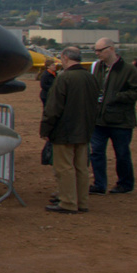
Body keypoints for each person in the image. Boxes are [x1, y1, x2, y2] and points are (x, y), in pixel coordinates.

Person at [41, 46, 101, 214]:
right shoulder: (90, 78)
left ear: (65, 58)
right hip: (85, 130)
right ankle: (82, 201)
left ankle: (67, 202)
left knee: (64, 167)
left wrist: (46, 129)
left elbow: (53, 108)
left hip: (65, 131)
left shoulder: (64, 78)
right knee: (81, 167)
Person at [89, 37, 137, 195]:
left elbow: (135, 92)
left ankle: (125, 183)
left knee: (122, 153)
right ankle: (99, 184)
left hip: (121, 121)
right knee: (96, 152)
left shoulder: (129, 70)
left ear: (111, 49)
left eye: (100, 50)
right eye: (95, 50)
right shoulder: (97, 68)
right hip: (99, 120)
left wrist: (115, 97)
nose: (97, 53)